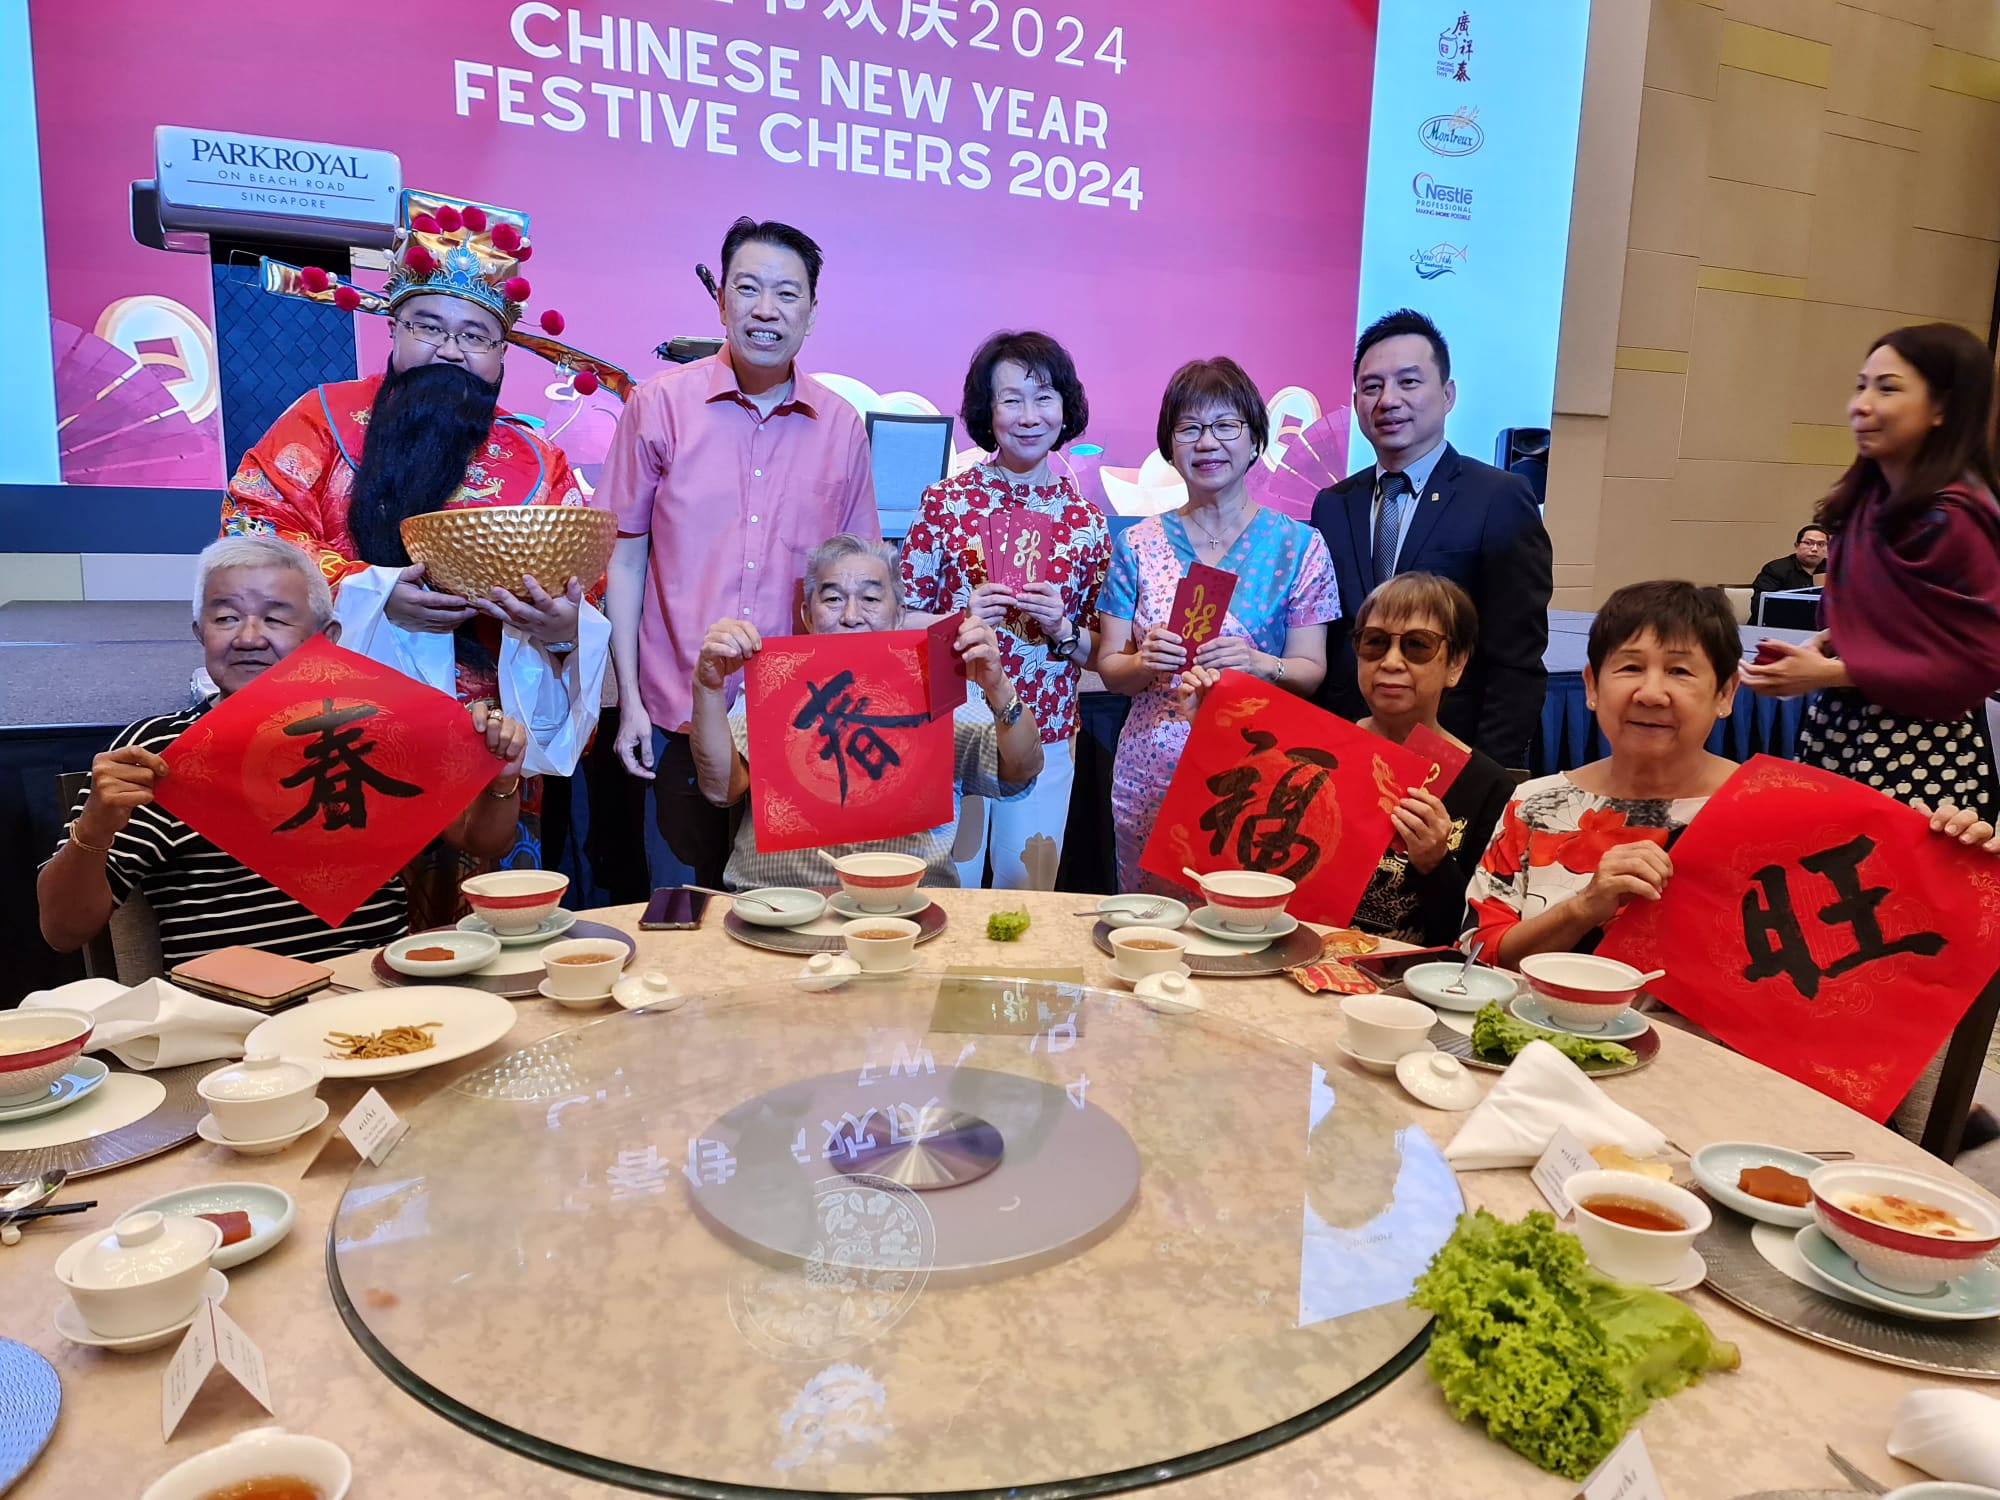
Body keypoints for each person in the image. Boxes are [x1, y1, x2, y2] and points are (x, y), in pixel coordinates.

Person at [222, 191, 614, 782]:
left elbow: (588, 583)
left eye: (476, 335)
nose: (450, 350)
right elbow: (252, 531)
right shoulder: (323, 417)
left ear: (502, 353)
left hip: (488, 731)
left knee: (487, 874)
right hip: (337, 712)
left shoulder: (536, 457)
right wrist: (372, 591)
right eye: (428, 326)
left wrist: (563, 625)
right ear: (394, 330)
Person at [37, 536, 527, 968]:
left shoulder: (375, 727)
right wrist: (95, 829)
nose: (248, 638)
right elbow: (62, 932)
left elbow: (480, 841)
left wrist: (501, 780)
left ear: (328, 639)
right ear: (199, 634)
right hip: (231, 1023)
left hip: (381, 998)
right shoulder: (157, 753)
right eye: (225, 617)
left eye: (274, 618)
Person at [1462, 580, 1998, 969]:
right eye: (1629, 667)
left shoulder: (1786, 812)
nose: (1651, 692)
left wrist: (1955, 858)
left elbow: (1879, 955)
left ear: (1724, 695)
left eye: (1679, 670)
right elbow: (1477, 954)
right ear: (1592, 686)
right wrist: (1583, 907)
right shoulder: (1536, 803)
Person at [601, 217, 879, 889]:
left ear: (811, 313)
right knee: (681, 914)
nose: (765, 308)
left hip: (798, 723)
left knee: (788, 914)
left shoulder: (841, 424)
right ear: (721, 300)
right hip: (674, 714)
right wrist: (630, 701)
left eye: (787, 293)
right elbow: (623, 557)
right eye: (747, 287)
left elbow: (857, 584)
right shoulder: (658, 406)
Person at [1095, 358, 1338, 896]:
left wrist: (1258, 664)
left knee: (1239, 919)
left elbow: (1311, 669)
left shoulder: (1301, 547)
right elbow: (1111, 669)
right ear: (1170, 447)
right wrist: (1141, 663)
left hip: (1253, 774)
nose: (1207, 443)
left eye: (1226, 426)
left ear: (1255, 441)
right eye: (1189, 429)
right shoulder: (1135, 545)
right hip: (1150, 771)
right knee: (1150, 924)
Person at [1743, 323, 2000, 827]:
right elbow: (1895, 626)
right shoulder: (1872, 500)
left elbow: (1973, 663)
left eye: (1888, 388)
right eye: (1862, 385)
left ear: (1944, 408)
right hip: (1842, 731)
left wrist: (1829, 672)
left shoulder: (1957, 517)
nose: (1860, 404)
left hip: (1920, 749)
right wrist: (1825, 643)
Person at [688, 536, 1042, 891]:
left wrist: (999, 687)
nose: (851, 616)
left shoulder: (939, 685)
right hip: (778, 899)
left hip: (908, 902)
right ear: (807, 616)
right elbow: (722, 789)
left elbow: (1021, 769)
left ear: (900, 614)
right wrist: (707, 687)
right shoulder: (774, 682)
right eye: (832, 599)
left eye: (870, 599)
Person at [898, 331, 1110, 890]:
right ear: (986, 411)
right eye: (1011, 399)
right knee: (949, 887)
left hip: (1046, 727)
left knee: (1027, 894)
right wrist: (959, 618)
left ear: (1066, 407)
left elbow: (1100, 648)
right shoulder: (946, 502)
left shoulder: (1086, 520)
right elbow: (899, 618)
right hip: (955, 725)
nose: (1028, 414)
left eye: (1044, 397)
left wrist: (1063, 628)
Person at [1310, 309, 1552, 768]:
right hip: (1348, 755)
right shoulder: (1332, 505)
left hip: (1449, 758)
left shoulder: (1499, 499)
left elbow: (1516, 663)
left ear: (1447, 394)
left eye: (1408, 382)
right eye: (1372, 386)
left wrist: (1481, 778)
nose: (1388, 400)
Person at [1748, 524, 1827, 620]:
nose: (1814, 549)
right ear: (1796, 546)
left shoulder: (1835, 570)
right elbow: (1759, 606)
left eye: (1821, 544)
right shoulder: (1776, 569)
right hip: (1777, 627)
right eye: (1808, 543)